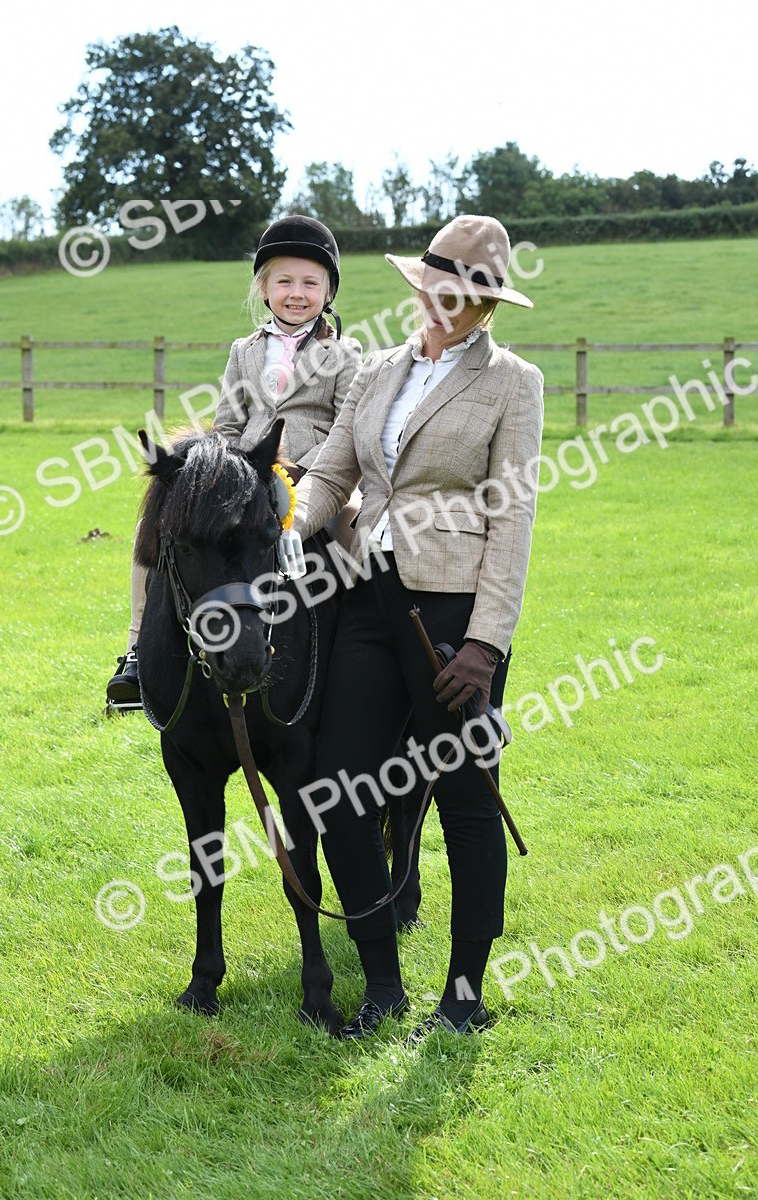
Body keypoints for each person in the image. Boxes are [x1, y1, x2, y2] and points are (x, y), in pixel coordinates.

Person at [291, 214, 544, 1042]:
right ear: (419, 288)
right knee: (335, 792)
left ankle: (464, 994)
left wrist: (486, 644)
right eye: (436, 293)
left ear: (487, 307)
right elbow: (332, 469)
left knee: (466, 799)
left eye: (465, 300)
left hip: (453, 617)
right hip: (369, 595)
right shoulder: (376, 370)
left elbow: (512, 519)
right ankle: (383, 987)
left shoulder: (514, 383)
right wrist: (288, 535)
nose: (446, 309)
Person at [106, 215, 362, 708]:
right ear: (264, 289)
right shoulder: (243, 351)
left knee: (358, 534)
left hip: (319, 478)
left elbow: (344, 431)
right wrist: (226, 471)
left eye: (310, 283)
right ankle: (138, 648)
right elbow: (226, 424)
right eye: (283, 281)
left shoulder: (345, 353)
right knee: (155, 529)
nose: (296, 292)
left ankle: (361, 653)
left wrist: (297, 472)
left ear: (328, 292)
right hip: (245, 479)